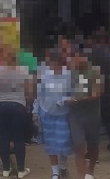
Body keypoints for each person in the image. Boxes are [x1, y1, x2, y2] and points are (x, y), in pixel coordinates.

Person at [0, 43, 34, 179]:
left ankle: (6, 170)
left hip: (0, 105)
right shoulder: (24, 70)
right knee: (19, 137)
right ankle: (21, 170)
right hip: (18, 105)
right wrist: (28, 104)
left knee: (4, 137)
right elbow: (30, 92)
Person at [67, 43, 104, 179]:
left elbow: (97, 93)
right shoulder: (69, 72)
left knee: (93, 145)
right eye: (73, 57)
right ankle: (82, 176)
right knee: (79, 144)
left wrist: (77, 99)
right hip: (75, 115)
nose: (74, 61)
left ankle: (91, 171)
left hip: (92, 114)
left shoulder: (94, 71)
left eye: (77, 57)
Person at [36, 48, 74, 179]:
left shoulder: (68, 75)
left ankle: (63, 165)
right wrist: (35, 111)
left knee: (64, 142)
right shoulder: (45, 75)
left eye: (53, 63)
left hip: (63, 114)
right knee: (51, 144)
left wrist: (64, 100)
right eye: (49, 63)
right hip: (47, 113)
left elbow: (73, 94)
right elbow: (39, 94)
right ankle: (55, 172)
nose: (51, 66)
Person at [89, 26, 110, 161]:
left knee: (94, 124)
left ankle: (94, 154)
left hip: (96, 92)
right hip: (108, 91)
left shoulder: (91, 55)